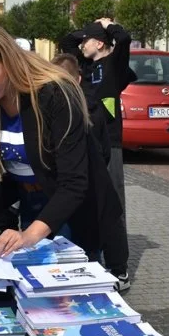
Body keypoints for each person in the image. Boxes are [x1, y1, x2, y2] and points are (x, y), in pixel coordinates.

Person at [0, 21, 124, 260]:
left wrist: (28, 236)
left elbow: (74, 183)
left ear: (8, 58)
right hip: (31, 200)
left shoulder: (55, 93)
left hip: (77, 208)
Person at [59, 19, 136, 289]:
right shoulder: (87, 66)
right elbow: (67, 45)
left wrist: (111, 25)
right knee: (91, 202)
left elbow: (124, 40)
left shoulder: (114, 65)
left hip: (111, 142)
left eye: (87, 40)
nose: (81, 45)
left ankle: (120, 269)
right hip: (88, 141)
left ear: (100, 43)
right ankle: (94, 255)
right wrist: (88, 28)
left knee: (113, 205)